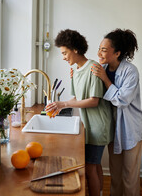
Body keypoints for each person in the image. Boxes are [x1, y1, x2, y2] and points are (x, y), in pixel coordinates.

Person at [45, 29, 113, 196]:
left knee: (90, 167)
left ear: (75, 49)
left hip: (99, 126)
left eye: (65, 52)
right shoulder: (75, 71)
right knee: (95, 165)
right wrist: (59, 105)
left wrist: (64, 103)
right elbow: (76, 98)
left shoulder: (93, 68)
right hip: (89, 126)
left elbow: (93, 100)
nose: (63, 57)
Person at [91, 28, 142, 196]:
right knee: (115, 175)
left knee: (129, 176)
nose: (99, 52)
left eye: (104, 50)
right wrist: (75, 75)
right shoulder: (103, 67)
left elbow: (122, 100)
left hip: (129, 129)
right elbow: (90, 88)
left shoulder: (131, 71)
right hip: (112, 129)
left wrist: (105, 79)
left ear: (117, 53)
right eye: (99, 48)